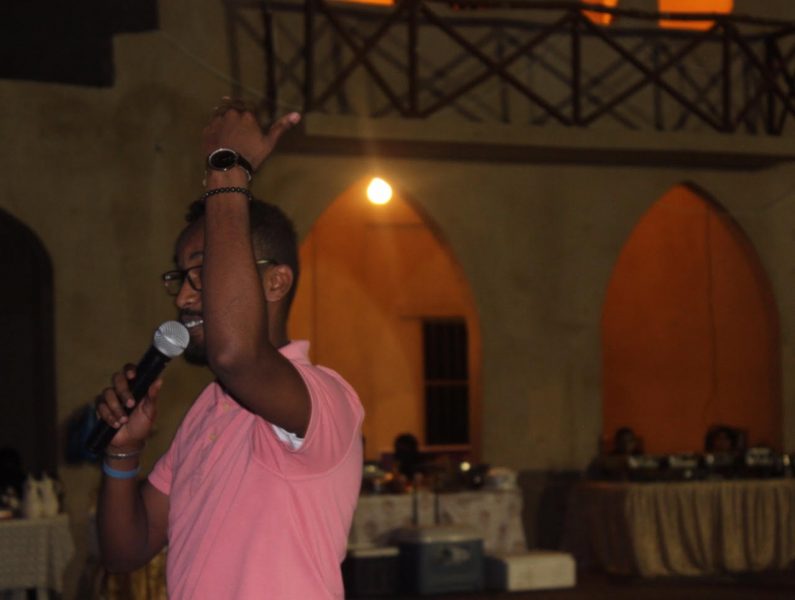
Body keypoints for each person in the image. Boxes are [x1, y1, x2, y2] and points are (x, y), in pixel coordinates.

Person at [94, 100, 364, 599]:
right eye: (180, 277)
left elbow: (236, 354)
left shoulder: (324, 400)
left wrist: (228, 171)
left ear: (275, 282)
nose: (183, 297)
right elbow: (124, 552)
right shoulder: (207, 411)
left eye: (203, 272)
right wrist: (123, 452)